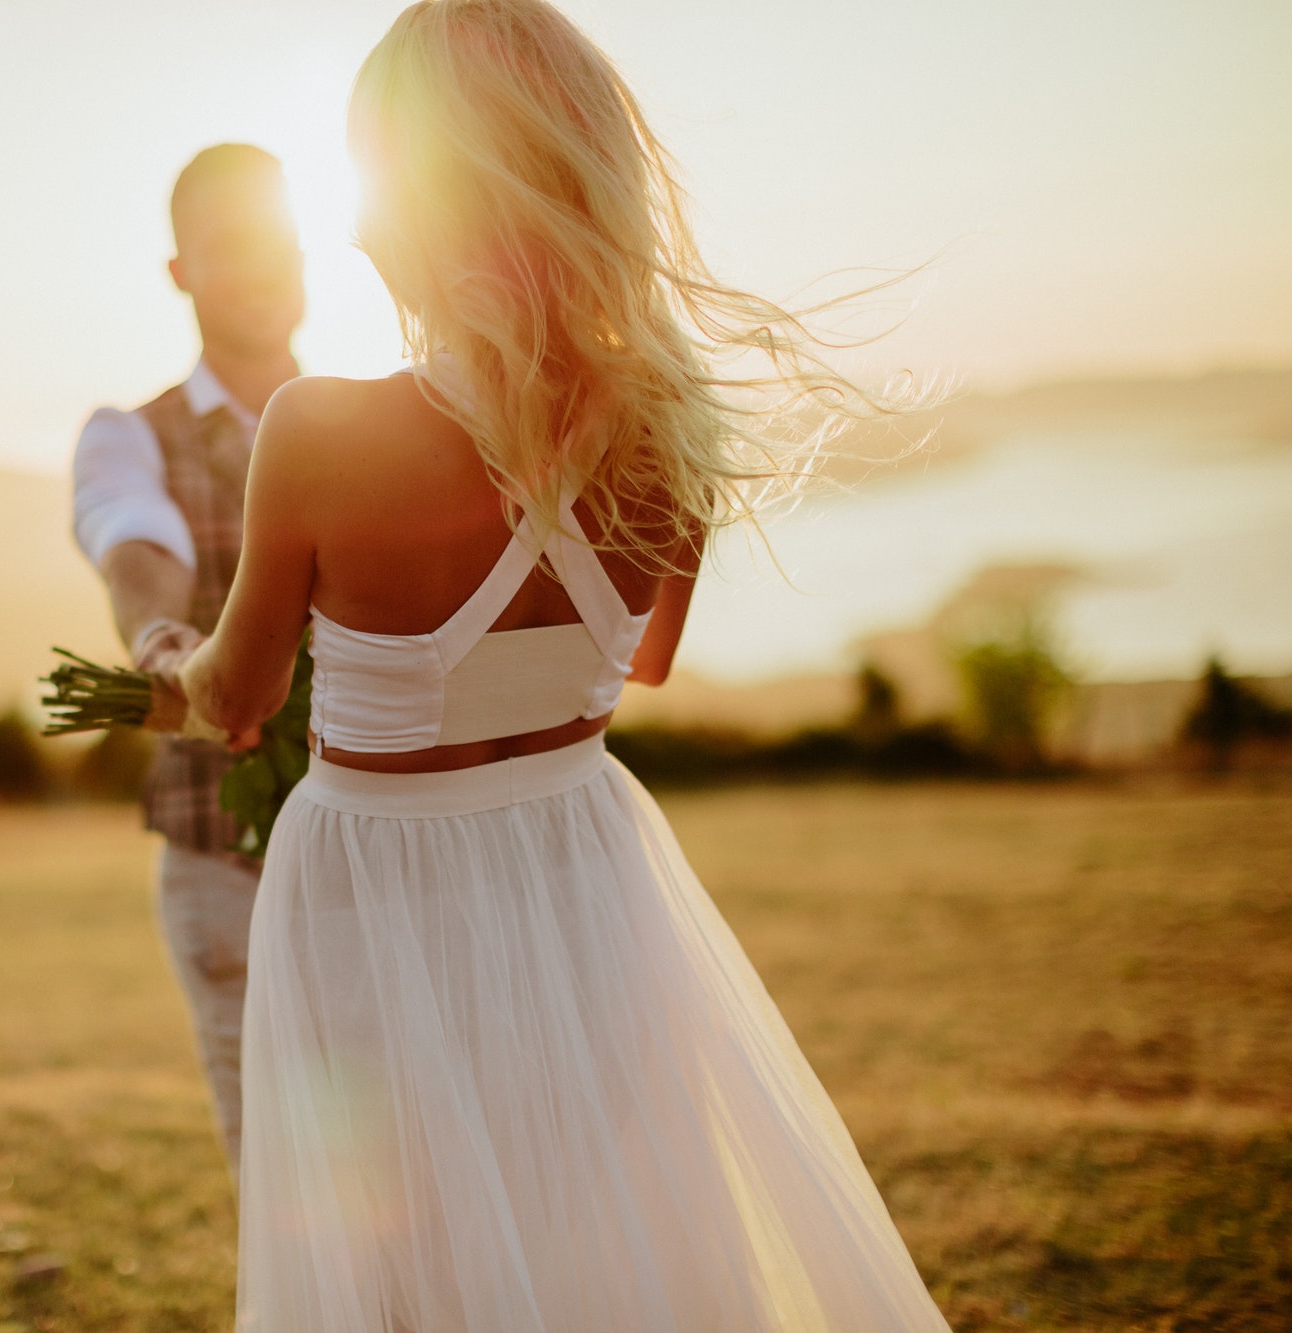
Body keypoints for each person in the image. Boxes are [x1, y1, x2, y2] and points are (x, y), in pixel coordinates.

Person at [177, 2, 954, 1328]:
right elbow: (643, 660)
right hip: (582, 866)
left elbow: (236, 702)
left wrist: (172, 658)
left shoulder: (317, 430)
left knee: (407, 1256)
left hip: (376, 881)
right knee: (608, 1215)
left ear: (421, 204)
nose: (357, 227)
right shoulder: (670, 427)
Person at [69, 143, 303, 1180]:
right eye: (228, 246)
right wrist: (161, 642)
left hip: (385, 856)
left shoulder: (370, 416)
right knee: (280, 1182)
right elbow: (135, 540)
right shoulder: (131, 436)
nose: (261, 267)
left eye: (279, 239)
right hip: (225, 867)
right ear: (179, 273)